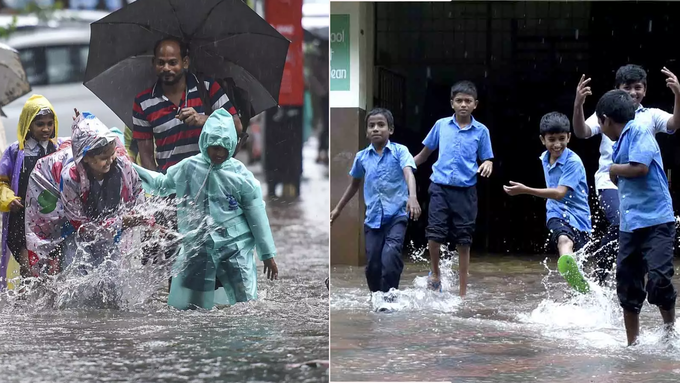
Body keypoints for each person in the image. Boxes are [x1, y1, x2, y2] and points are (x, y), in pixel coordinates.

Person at [132, 108, 278, 310]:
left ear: (232, 146)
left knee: (246, 305)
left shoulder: (241, 176)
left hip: (234, 247)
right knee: (191, 308)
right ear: (205, 143)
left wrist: (267, 254)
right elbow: (162, 184)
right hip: (199, 246)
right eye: (214, 147)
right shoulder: (189, 167)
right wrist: (130, 167)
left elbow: (257, 214)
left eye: (223, 148)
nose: (218, 153)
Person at [572, 64, 680, 284]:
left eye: (637, 87)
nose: (633, 92)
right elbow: (582, 132)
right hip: (610, 183)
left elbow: (674, 124)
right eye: (627, 87)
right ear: (617, 89)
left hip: (641, 188)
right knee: (623, 219)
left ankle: (624, 275)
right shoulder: (606, 114)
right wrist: (578, 104)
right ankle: (599, 273)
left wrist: (678, 94)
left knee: (636, 230)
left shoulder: (650, 116)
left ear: (645, 90)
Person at [596, 89, 677, 346]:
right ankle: (633, 344)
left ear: (606, 119)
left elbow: (640, 168)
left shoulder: (639, 130)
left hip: (657, 221)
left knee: (660, 279)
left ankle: (668, 332)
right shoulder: (620, 141)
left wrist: (613, 169)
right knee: (628, 284)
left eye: (600, 122)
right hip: (631, 224)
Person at [414, 81, 493, 297]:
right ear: (452, 103)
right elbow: (424, 154)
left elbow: (487, 158)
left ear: (475, 104)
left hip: (466, 191)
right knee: (434, 234)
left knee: (464, 240)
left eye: (468, 101)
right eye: (459, 101)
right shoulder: (440, 125)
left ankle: (462, 293)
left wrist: (488, 164)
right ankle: (436, 274)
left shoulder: (481, 131)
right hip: (439, 187)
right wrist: (405, 166)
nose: (463, 105)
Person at [330, 108, 420, 297]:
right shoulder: (361, 157)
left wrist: (412, 197)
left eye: (381, 125)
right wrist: (337, 209)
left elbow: (408, 173)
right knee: (373, 265)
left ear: (391, 130)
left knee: (390, 254)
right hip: (373, 219)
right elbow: (354, 185)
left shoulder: (400, 151)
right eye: (371, 126)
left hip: (397, 215)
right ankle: (376, 297)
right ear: (366, 132)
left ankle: (390, 296)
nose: (376, 129)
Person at [132, 36, 242, 173]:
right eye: (161, 62)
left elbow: (237, 126)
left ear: (185, 62)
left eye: (173, 63)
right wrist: (158, 187)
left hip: (211, 182)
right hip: (171, 187)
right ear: (153, 63)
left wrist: (205, 120)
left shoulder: (207, 88)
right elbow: (146, 155)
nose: (166, 68)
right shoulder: (143, 102)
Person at [503, 112, 592, 273]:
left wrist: (525, 190)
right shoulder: (544, 157)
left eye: (561, 139)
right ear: (542, 140)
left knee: (581, 257)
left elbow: (559, 193)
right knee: (564, 239)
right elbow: (556, 198)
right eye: (551, 140)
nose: (557, 144)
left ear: (569, 137)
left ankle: (577, 284)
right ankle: (569, 269)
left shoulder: (573, 162)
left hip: (580, 216)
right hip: (556, 212)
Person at [60, 112, 146, 271]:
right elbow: (80, 225)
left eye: (112, 153)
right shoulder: (70, 179)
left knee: (112, 279)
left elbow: (137, 191)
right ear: (85, 157)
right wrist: (121, 222)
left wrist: (140, 217)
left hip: (112, 230)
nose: (111, 160)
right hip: (75, 232)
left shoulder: (122, 166)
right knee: (76, 275)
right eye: (103, 158)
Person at [0, 95, 62, 284]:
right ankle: (26, 306)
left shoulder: (58, 150)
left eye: (50, 124)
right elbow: (2, 182)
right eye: (40, 124)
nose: (46, 129)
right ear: (28, 124)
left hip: (51, 221)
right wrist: (8, 199)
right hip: (21, 220)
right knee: (29, 270)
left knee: (53, 273)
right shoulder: (15, 152)